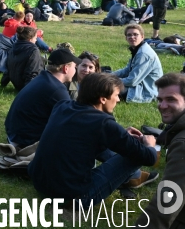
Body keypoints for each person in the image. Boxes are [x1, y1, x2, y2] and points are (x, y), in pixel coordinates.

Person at [29, 73, 158, 206]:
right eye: (116, 95)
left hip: (41, 186)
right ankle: (133, 177)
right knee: (137, 154)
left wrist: (120, 136)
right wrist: (149, 145)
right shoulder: (103, 123)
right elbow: (148, 158)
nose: (118, 100)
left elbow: (85, 138)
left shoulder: (62, 106)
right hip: (74, 197)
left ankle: (132, 177)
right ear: (103, 99)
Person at [136, 73, 185, 228]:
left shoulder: (182, 144)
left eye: (171, 99)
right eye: (160, 100)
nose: (162, 106)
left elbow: (167, 203)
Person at [5, 48, 79, 149]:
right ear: (66, 68)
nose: (76, 70)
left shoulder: (44, 78)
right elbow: (71, 122)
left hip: (14, 136)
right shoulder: (57, 89)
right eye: (75, 67)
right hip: (25, 142)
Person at [113, 24, 163, 103]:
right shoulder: (138, 50)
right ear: (126, 38)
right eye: (129, 35)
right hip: (138, 85)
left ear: (142, 37)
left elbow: (132, 81)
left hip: (145, 91)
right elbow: (127, 70)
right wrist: (109, 75)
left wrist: (111, 80)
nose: (132, 37)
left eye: (135, 34)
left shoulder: (143, 54)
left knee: (106, 88)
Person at [0, 26, 44, 91]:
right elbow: (32, 72)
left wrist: (2, 84)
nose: (36, 40)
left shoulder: (13, 48)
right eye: (35, 38)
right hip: (28, 86)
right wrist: (27, 91)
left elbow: (8, 70)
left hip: (18, 85)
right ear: (30, 39)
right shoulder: (33, 50)